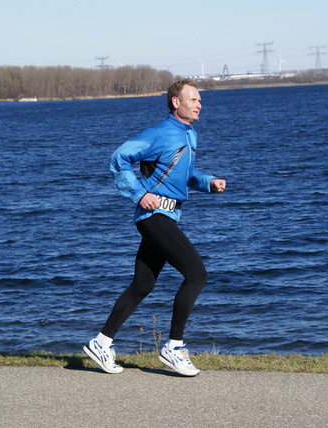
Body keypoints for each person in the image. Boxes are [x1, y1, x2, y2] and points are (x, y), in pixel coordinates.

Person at [83, 79, 226, 377]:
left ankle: (102, 341)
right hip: (153, 216)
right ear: (176, 102)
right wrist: (139, 194)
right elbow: (118, 158)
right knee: (196, 274)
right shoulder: (160, 134)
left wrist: (208, 183)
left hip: (168, 217)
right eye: (194, 99)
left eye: (200, 100)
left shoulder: (190, 135)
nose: (200, 104)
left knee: (143, 285)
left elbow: (183, 175)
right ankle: (174, 347)